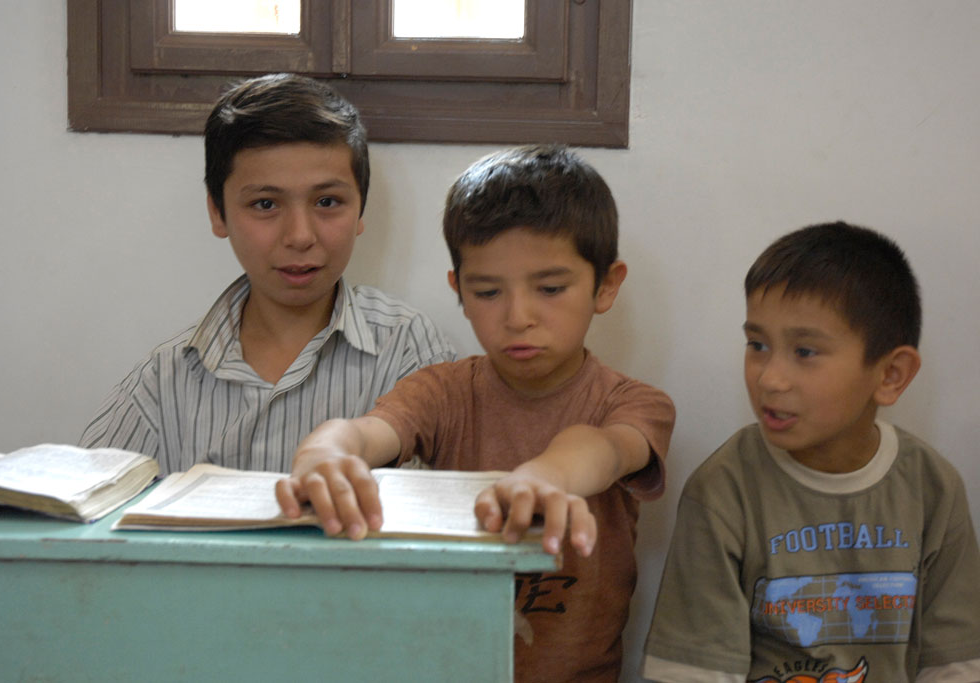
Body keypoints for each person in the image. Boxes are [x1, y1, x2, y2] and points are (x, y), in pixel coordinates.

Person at [276, 145, 676, 682]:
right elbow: (370, 433)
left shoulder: (634, 403)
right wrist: (326, 450)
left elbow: (602, 449)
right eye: (487, 291)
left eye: (550, 288)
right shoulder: (443, 393)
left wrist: (546, 477)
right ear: (459, 292)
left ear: (605, 285)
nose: (518, 316)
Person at [643, 222, 980, 682]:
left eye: (805, 351)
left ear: (890, 375)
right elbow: (693, 673)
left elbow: (958, 668)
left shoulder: (933, 488)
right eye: (757, 345)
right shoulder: (723, 488)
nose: (769, 378)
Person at [80, 74, 455, 475]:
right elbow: (81, 501)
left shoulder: (408, 351)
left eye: (327, 202)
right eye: (265, 204)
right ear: (218, 213)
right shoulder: (166, 381)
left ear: (360, 208)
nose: (300, 236)